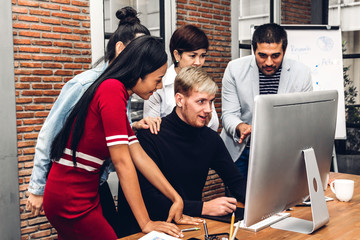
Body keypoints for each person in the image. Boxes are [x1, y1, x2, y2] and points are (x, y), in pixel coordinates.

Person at [43, 36, 199, 240]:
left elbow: (139, 156)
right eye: (158, 79)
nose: (159, 86)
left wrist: (175, 197)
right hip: (71, 199)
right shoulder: (112, 89)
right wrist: (146, 222)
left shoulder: (116, 92)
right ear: (139, 72)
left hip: (79, 195)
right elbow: (123, 162)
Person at [26, 7, 163, 235]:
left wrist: (135, 126)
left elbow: (110, 133)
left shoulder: (122, 88)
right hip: (75, 186)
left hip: (94, 181)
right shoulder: (90, 85)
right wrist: (37, 189)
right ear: (121, 49)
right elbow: (50, 133)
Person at [117, 66, 246, 236]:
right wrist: (204, 207)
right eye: (201, 101)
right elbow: (149, 201)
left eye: (211, 101)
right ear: (179, 100)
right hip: (150, 230)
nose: (208, 109)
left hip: (190, 225)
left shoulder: (211, 139)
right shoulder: (151, 135)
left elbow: (236, 182)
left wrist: (268, 204)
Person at [220, 23, 313, 181]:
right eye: (262, 55)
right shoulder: (234, 70)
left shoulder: (302, 74)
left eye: (275, 55)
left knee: (278, 203)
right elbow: (229, 114)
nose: (269, 62)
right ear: (253, 50)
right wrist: (240, 127)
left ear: (284, 50)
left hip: (282, 152)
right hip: (242, 151)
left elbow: (304, 119)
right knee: (238, 204)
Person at [143, 24, 219, 131]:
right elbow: (151, 126)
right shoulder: (160, 83)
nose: (198, 62)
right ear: (177, 55)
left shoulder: (204, 83)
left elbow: (214, 125)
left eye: (202, 56)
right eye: (192, 56)